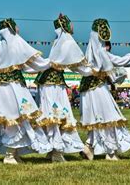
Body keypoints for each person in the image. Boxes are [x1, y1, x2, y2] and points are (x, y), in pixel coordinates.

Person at [79, 18, 130, 161]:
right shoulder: (100, 52)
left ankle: (88, 146)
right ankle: (110, 152)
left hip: (86, 89)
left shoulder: (89, 53)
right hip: (98, 88)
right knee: (109, 117)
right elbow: (119, 61)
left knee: (95, 118)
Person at [0, 18, 53, 164]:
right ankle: (9, 155)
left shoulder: (2, 45)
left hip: (0, 87)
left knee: (13, 118)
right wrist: (52, 61)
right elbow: (35, 62)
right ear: (11, 28)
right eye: (16, 25)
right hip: (11, 86)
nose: (18, 28)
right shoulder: (15, 41)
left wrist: (42, 66)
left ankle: (14, 153)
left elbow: (26, 66)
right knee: (16, 117)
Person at [34, 14, 93, 162]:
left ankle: (53, 148)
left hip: (49, 81)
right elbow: (79, 65)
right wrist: (95, 70)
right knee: (56, 115)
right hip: (53, 83)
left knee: (54, 114)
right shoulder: (67, 41)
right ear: (65, 25)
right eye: (70, 23)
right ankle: (56, 152)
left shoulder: (58, 41)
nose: (73, 26)